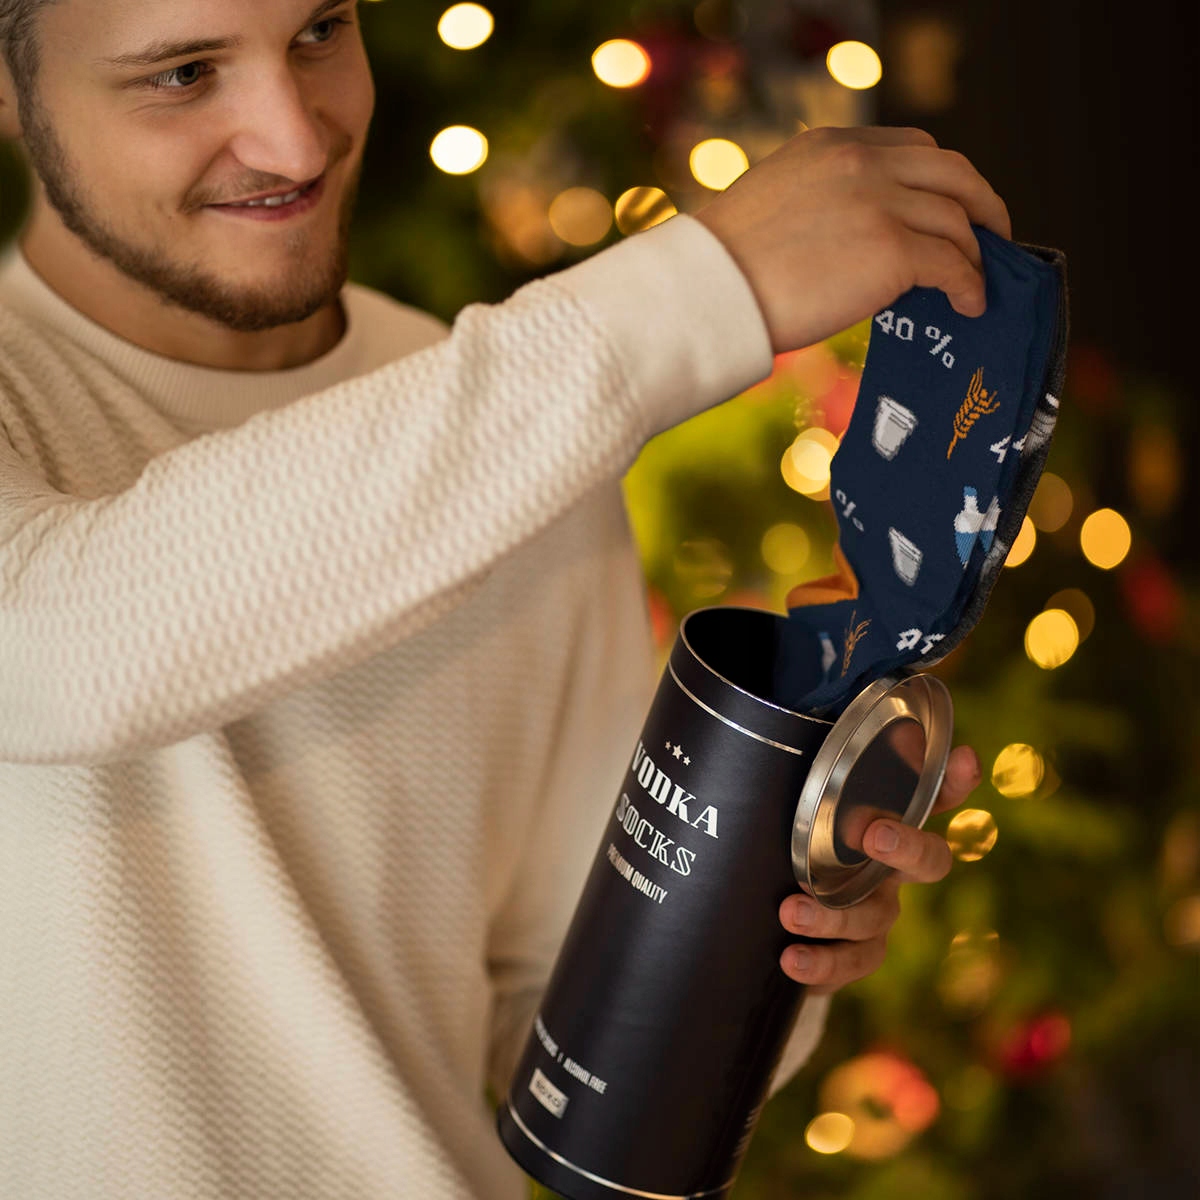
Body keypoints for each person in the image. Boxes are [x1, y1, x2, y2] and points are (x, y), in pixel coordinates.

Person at [0, 1, 998, 1196]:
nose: (297, 140)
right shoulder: (547, 396)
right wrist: (700, 290)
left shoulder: (521, 425)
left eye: (320, 32)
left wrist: (752, 922)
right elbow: (42, 649)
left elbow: (570, 1058)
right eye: (183, 73)